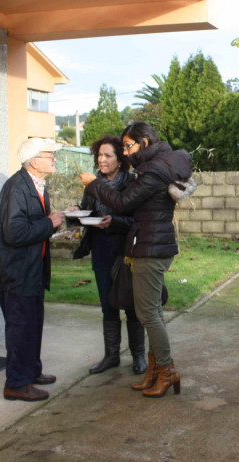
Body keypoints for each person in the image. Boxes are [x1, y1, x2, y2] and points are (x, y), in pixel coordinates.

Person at [79, 121, 193, 398]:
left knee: (147, 314)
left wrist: (94, 184)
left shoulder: (153, 170)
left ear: (144, 142)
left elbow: (122, 203)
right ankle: (155, 371)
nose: (126, 152)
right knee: (150, 311)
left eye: (128, 146)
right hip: (148, 245)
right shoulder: (156, 166)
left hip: (150, 248)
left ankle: (166, 370)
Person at [0, 137, 65, 402]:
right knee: (20, 328)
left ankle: (30, 372)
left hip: (31, 270)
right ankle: (17, 384)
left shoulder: (36, 184)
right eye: (49, 155)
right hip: (17, 272)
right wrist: (50, 222)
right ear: (34, 161)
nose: (53, 159)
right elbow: (15, 232)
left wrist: (53, 222)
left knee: (32, 325)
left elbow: (34, 224)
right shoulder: (16, 187)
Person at [71, 135, 147, 375]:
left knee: (132, 305)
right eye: (99, 156)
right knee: (107, 305)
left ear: (120, 160)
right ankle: (111, 356)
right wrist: (77, 212)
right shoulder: (93, 183)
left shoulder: (132, 182)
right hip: (101, 249)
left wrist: (114, 221)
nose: (101, 160)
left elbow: (139, 220)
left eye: (107, 156)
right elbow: (88, 210)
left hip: (127, 251)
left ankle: (138, 356)